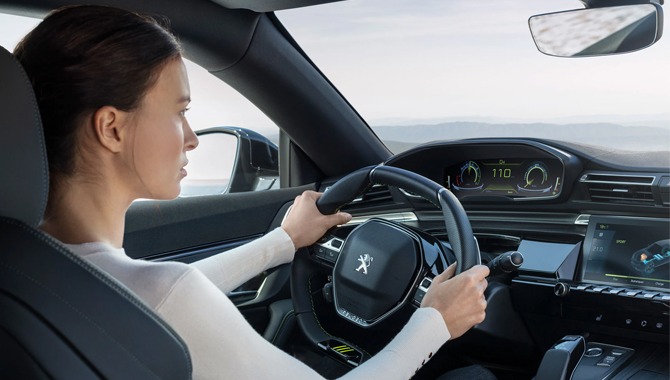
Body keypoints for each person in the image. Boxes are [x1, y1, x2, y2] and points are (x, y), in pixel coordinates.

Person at [14, 5, 491, 379]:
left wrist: (281, 244)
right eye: (179, 111)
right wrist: (434, 324)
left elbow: (154, 298)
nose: (192, 137)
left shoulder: (31, 263)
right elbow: (169, 297)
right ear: (112, 129)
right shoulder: (163, 295)